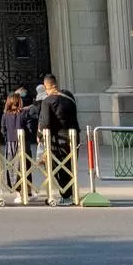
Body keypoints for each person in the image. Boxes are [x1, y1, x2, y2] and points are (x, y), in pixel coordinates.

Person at [34, 73, 81, 205]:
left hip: (58, 140)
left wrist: (39, 136)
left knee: (59, 168)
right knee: (71, 166)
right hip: (74, 136)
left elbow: (45, 123)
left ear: (45, 86)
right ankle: (72, 194)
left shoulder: (47, 101)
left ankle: (65, 195)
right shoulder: (69, 95)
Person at [0, 92, 31, 203]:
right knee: (25, 167)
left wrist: (7, 137)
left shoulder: (5, 115)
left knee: (13, 169)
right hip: (23, 144)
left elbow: (3, 130)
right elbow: (29, 128)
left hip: (10, 144)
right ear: (19, 102)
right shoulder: (24, 113)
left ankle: (18, 193)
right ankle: (28, 192)